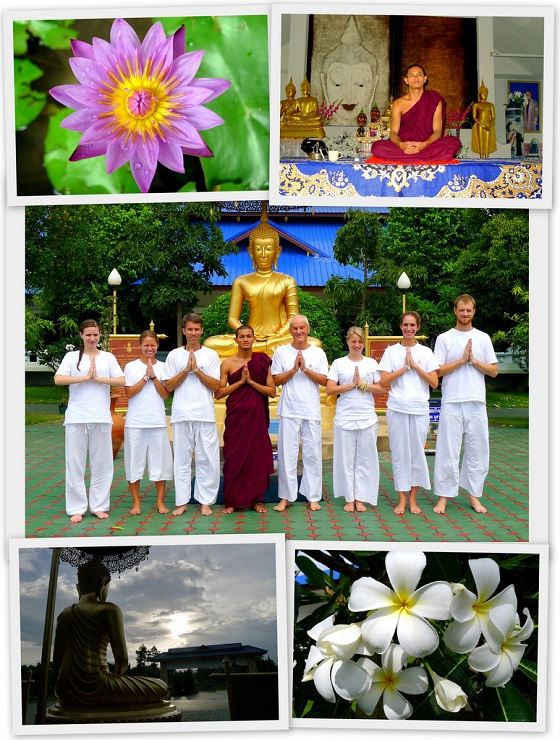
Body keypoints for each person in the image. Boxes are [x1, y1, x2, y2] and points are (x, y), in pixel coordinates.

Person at [52, 559, 169, 707]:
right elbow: (122, 660)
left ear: (78, 588)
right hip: (97, 687)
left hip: (63, 690)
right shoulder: (109, 609)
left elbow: (57, 662)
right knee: (160, 686)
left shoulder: (64, 613)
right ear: (102, 583)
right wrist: (115, 679)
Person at [204, 217, 321, 358]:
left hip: (279, 338)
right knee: (210, 343)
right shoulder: (241, 281)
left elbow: (293, 317)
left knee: (314, 343)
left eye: (269, 249)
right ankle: (262, 348)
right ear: (250, 252)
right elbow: (232, 319)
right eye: (258, 249)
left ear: (277, 252)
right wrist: (247, 334)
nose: (264, 255)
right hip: (251, 338)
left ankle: (261, 349)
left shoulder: (287, 281)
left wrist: (275, 336)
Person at [55, 319, 126, 524]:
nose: (92, 338)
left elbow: (121, 380)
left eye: (95, 335)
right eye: (88, 335)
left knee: (102, 463)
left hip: (100, 417)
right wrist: (84, 378)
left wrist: (99, 379)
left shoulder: (108, 358)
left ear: (100, 335)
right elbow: (59, 379)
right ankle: (76, 507)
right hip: (77, 417)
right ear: (81, 335)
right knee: (75, 463)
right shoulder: (71, 357)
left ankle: (99, 505)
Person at [432, 295, 498, 515]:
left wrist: (474, 361)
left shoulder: (483, 338)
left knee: (478, 450)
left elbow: (494, 370)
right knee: (447, 450)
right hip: (452, 400)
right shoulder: (444, 339)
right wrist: (461, 361)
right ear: (455, 311)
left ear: (474, 311)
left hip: (476, 401)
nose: (465, 314)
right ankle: (444, 497)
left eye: (468, 310)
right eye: (461, 310)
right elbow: (438, 371)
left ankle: (474, 496)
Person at [378, 312, 439, 515]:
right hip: (397, 408)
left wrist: (415, 366)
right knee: (400, 453)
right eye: (406, 324)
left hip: (419, 408)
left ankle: (413, 499)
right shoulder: (391, 352)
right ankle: (401, 499)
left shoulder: (426, 353)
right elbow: (384, 381)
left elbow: (434, 382)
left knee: (416, 454)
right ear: (401, 326)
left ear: (418, 327)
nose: (409, 328)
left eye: (412, 325)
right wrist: (404, 367)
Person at [162, 313, 220, 517]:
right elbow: (168, 386)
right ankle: (182, 501)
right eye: (190, 329)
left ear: (202, 331)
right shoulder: (174, 355)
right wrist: (186, 370)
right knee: (182, 460)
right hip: (181, 413)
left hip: (204, 413)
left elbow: (216, 385)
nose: (193, 333)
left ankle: (205, 501)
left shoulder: (211, 355)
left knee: (207, 458)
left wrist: (197, 370)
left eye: (197, 329)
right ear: (184, 331)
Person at [215, 325, 276, 513]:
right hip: (236, 418)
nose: (246, 339)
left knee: (256, 459)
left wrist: (251, 382)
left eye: (249, 336)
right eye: (242, 336)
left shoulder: (261, 361)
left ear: (254, 339)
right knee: (234, 457)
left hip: (256, 419)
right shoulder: (227, 363)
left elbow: (272, 391)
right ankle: (232, 501)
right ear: (236, 340)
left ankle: (255, 501)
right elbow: (218, 393)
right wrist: (240, 382)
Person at [271, 314, 328, 512]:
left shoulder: (318, 353)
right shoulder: (281, 352)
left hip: (311, 409)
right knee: (287, 454)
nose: (299, 332)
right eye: (295, 328)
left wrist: (305, 369)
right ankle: (286, 497)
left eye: (302, 328)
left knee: (313, 454)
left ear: (308, 329)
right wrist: (293, 370)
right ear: (290, 331)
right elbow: (276, 380)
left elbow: (324, 380)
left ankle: (313, 496)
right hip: (289, 409)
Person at [326, 326, 384, 512]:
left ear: (363, 343)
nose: (357, 345)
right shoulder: (338, 363)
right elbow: (330, 390)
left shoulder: (371, 363)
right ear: (348, 342)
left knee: (365, 458)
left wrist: (363, 384)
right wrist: (351, 384)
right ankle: (349, 498)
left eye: (360, 341)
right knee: (346, 459)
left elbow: (381, 388)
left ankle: (361, 497)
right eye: (353, 341)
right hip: (345, 416)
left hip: (367, 416)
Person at [367, 64, 461, 163]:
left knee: (454, 142)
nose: (416, 78)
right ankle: (424, 158)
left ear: (425, 79)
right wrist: (401, 145)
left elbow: (438, 131)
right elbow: (393, 132)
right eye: (412, 75)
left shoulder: (435, 99)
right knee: (377, 146)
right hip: (404, 147)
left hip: (427, 145)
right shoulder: (399, 103)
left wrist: (424, 145)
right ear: (406, 80)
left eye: (419, 75)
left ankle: (408, 158)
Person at [123, 330, 173, 515]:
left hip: (157, 421)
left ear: (157, 346)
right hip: (135, 422)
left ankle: (160, 501)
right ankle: (136, 503)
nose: (149, 348)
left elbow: (166, 394)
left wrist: (153, 377)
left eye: (153, 345)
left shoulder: (164, 366)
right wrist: (145, 377)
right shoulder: (131, 366)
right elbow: (129, 393)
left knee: (159, 463)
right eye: (146, 345)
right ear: (140, 346)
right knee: (134, 462)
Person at [471, 81, 496, 158]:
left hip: (488, 124)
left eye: (486, 93)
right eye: (483, 93)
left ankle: (487, 156)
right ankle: (481, 156)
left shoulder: (490, 105)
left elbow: (493, 117)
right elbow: (474, 117)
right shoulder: (476, 104)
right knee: (481, 141)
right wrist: (481, 125)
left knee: (488, 141)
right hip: (480, 124)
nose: (485, 94)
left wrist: (490, 124)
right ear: (479, 94)